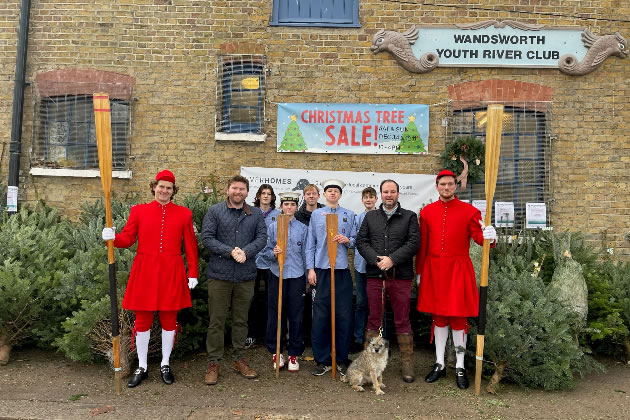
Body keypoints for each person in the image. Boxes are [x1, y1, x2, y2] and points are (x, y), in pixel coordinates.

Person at [101, 169, 198, 388]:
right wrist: (113, 237)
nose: (164, 190)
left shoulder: (184, 214)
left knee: (169, 321)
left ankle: (165, 363)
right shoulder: (138, 211)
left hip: (171, 271)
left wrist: (192, 273)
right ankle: (142, 366)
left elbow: (191, 246)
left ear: (174, 191)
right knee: (142, 320)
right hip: (145, 270)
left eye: (169, 188)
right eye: (161, 186)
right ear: (154, 187)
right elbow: (127, 238)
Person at [415, 169, 497, 389]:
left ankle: (460, 365)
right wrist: (420, 272)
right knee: (439, 319)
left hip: (458, 270)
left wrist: (490, 236)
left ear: (455, 185)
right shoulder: (427, 212)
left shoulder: (470, 211)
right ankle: (439, 363)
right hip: (434, 271)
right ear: (437, 186)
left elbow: (480, 239)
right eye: (443, 184)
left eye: (450, 184)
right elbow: (422, 246)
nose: (446, 188)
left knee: (459, 321)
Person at [201, 175, 267, 385]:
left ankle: (239, 359)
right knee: (216, 321)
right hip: (219, 276)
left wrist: (245, 252)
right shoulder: (215, 211)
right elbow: (207, 238)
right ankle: (214, 362)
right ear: (228, 190)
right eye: (234, 188)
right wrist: (230, 251)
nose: (238, 192)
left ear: (247, 192)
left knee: (241, 320)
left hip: (245, 276)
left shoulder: (255, 214)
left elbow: (262, 238)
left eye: (242, 189)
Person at [356, 179, 420, 383]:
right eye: (385, 192)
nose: (389, 195)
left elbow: (414, 243)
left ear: (398, 194)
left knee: (402, 319)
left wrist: (392, 259)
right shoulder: (371, 216)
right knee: (374, 319)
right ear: (381, 194)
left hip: (400, 276)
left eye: (392, 191)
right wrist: (377, 260)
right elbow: (361, 241)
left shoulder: (409, 217)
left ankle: (407, 364)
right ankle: (369, 365)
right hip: (375, 275)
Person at [306, 179, 356, 376]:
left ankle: (342, 358)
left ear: (340, 194)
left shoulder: (349, 215)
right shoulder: (317, 215)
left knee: (343, 315)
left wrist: (348, 240)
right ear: (324, 195)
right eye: (329, 191)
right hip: (322, 270)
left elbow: (355, 240)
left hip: (341, 270)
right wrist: (310, 269)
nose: (332, 194)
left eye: (336, 191)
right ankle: (323, 359)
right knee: (320, 316)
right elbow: (310, 243)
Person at [261, 192, 308, 372]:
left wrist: (307, 276)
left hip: (296, 276)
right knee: (275, 313)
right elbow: (263, 252)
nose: (289, 207)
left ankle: (294, 353)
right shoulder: (272, 227)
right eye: (286, 204)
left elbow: (306, 254)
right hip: (276, 274)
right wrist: (273, 252)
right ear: (281, 206)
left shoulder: (303, 229)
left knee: (295, 315)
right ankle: (276, 351)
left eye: (292, 204)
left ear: (296, 207)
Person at [246, 184, 281, 349]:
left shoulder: (278, 214)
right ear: (258, 196)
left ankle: (269, 336)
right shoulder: (250, 212)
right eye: (263, 193)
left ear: (273, 197)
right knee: (251, 299)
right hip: (252, 260)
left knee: (270, 299)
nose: (266, 196)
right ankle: (251, 334)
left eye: (269, 194)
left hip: (270, 262)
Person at [349, 186, 378, 354]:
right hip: (361, 267)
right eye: (365, 197)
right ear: (362, 200)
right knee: (361, 303)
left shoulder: (381, 217)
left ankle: (377, 339)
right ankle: (358, 338)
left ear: (376, 199)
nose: (368, 199)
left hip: (377, 267)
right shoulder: (357, 218)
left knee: (377, 305)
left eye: (371, 197)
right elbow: (353, 240)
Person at [294, 183, 323, 346]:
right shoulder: (297, 215)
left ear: (319, 196)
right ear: (304, 197)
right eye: (308, 194)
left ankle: (316, 338)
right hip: (301, 264)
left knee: (317, 301)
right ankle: (303, 337)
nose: (311, 196)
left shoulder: (324, 212)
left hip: (319, 264)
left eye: (314, 193)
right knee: (302, 301)